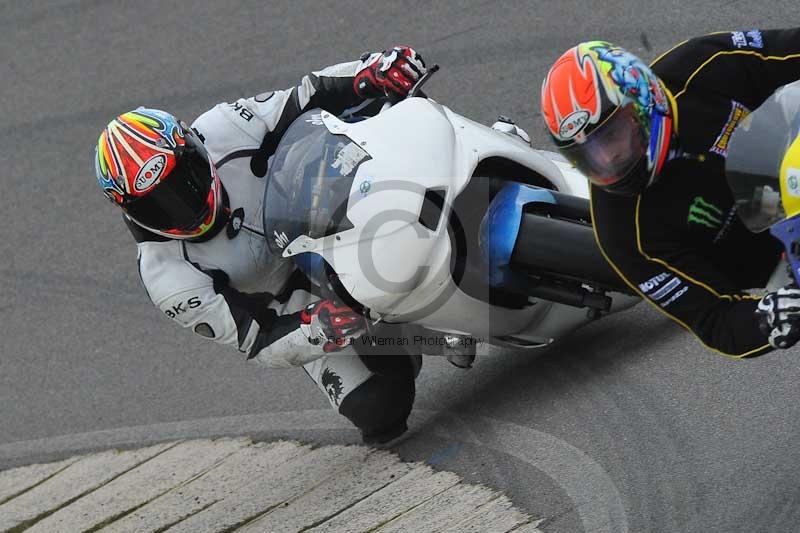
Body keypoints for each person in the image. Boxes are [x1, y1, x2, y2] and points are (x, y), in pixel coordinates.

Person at [94, 46, 428, 444]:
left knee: (392, 104)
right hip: (301, 304)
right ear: (129, 212)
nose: (181, 206)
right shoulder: (167, 276)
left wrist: (368, 72)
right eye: (157, 205)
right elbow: (258, 339)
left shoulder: (223, 127)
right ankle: (411, 336)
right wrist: (315, 327)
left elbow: (308, 93)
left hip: (331, 219)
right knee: (378, 408)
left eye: (184, 179)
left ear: (195, 147)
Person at [540, 29, 800, 357]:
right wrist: (770, 318)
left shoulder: (702, 65)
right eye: (587, 154)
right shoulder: (622, 235)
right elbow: (716, 321)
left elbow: (790, 50)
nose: (607, 159)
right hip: (778, 260)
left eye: (612, 136)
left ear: (642, 98)